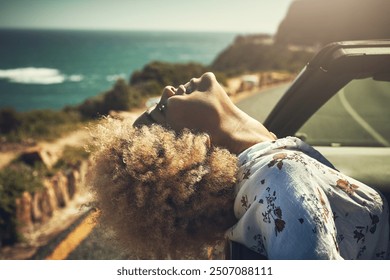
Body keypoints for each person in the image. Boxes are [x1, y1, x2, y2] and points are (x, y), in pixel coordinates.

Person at [88, 72, 389, 260]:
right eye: (161, 111)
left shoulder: (269, 171)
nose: (167, 90)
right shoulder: (280, 177)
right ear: (191, 149)